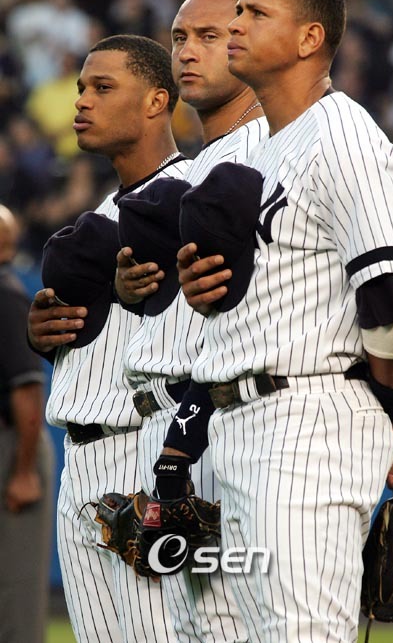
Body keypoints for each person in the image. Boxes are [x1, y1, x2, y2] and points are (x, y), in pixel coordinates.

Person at [175, 0, 393, 643]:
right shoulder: (268, 148)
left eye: (256, 13)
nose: (236, 23)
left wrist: (385, 414)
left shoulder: (344, 140)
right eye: (239, 11)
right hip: (242, 426)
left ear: (309, 38)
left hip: (305, 429)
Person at [114, 0, 268, 641]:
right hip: (183, 423)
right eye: (180, 36)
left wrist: (181, 446)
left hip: (219, 423)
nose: (187, 51)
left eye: (210, 35)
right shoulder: (206, 163)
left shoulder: (264, 150)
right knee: (199, 625)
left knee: (230, 623)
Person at [27, 34, 189, 643]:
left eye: (102, 87)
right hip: (79, 456)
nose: (82, 101)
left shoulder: (189, 195)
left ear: (156, 101)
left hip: (141, 452)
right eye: (80, 88)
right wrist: (46, 337)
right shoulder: (106, 208)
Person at [0, 203, 54, 643]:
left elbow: (28, 391)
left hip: (14, 446)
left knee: (15, 592)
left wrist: (23, 471)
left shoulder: (5, 295)